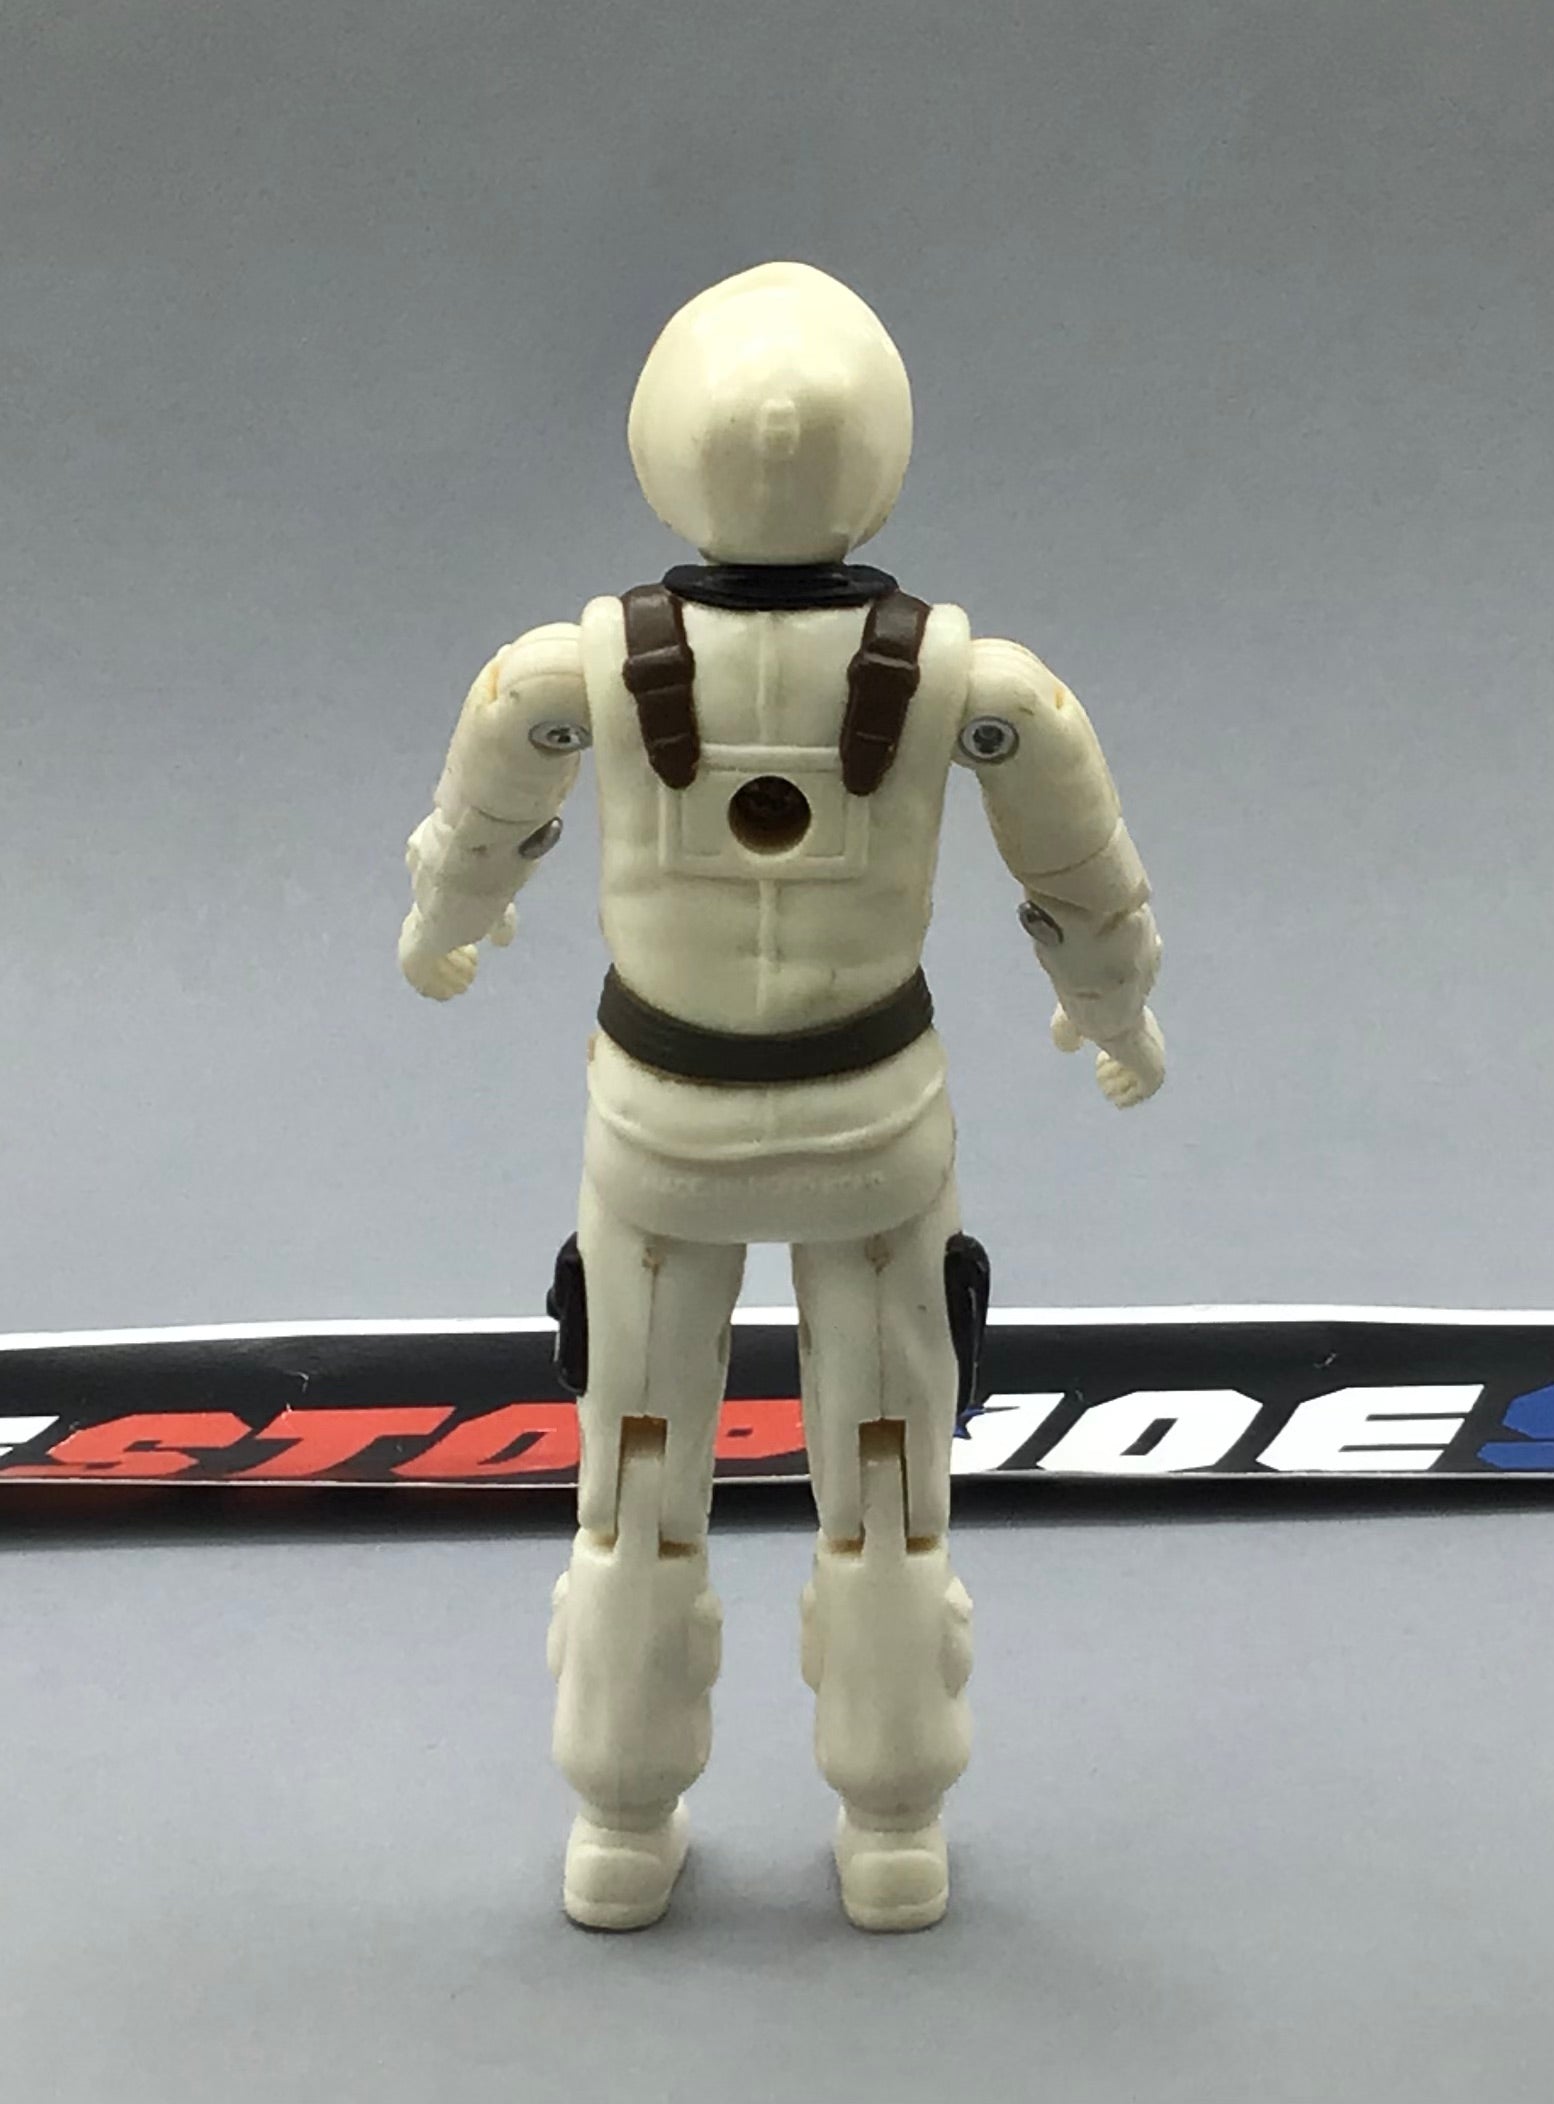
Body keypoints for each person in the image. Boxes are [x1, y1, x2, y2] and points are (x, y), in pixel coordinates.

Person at [398, 261, 1165, 1932]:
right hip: (870, 1127)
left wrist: (444, 926)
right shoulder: (971, 686)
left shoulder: (571, 672)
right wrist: (1113, 1012)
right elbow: (1082, 884)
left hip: (656, 1132)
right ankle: (892, 1830)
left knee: (632, 1483)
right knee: (887, 1487)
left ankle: (619, 1824)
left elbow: (481, 831)